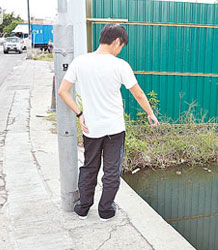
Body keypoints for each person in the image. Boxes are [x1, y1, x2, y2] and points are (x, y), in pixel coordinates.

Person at [58, 24, 160, 221]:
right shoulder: (120, 65)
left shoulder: (80, 62)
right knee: (111, 170)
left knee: (89, 167)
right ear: (116, 42)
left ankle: (83, 208)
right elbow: (138, 93)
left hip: (91, 127)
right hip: (114, 128)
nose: (120, 50)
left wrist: (80, 114)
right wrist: (150, 113)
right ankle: (105, 210)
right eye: (121, 46)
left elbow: (63, 91)